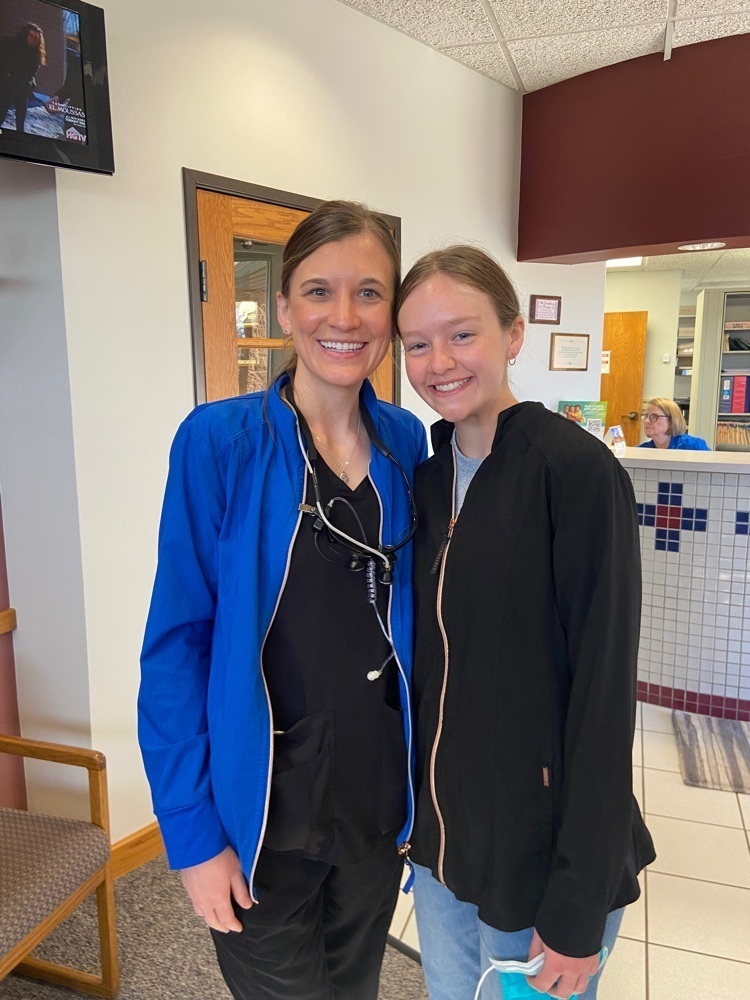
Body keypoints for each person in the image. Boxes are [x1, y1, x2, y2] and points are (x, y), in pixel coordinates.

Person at [138, 201, 427, 1000]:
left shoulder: (408, 444)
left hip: (373, 810)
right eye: (318, 291)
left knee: (355, 989)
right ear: (284, 307)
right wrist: (192, 838)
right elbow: (176, 647)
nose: (344, 316)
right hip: (263, 816)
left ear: (392, 312)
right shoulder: (219, 443)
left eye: (369, 293)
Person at [396, 246, 655, 1000]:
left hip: (541, 864)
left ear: (513, 335)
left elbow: (604, 696)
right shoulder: (424, 478)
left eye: (462, 334)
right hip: (444, 854)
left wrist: (579, 900)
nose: (438, 361)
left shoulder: (574, 473)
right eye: (417, 343)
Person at [0, 22, 46, 135]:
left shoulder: (35, 56)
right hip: (5, 84)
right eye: (30, 35)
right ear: (24, 34)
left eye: (36, 38)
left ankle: (20, 138)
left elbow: (29, 75)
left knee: (21, 115)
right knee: (2, 111)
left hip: (21, 87)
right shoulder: (9, 44)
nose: (33, 39)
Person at [638, 397, 710, 450]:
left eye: (654, 416)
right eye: (646, 416)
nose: (647, 421)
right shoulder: (641, 450)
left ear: (671, 421)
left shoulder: (694, 446)